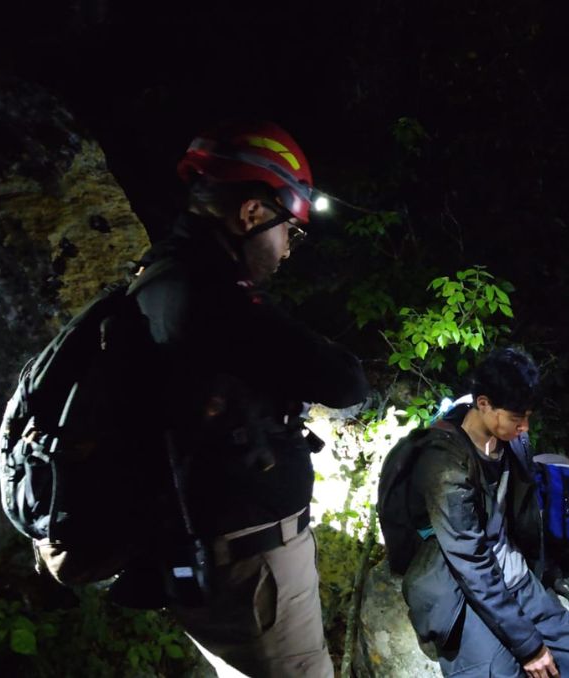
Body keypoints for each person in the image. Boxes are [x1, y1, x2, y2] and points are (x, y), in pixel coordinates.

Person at [132, 121, 369, 677]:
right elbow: (344, 381)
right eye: (291, 231)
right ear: (252, 214)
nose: (288, 250)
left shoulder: (156, 276)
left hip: (214, 558)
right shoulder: (213, 297)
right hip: (252, 572)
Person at [402, 347, 569, 678]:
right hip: (465, 591)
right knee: (499, 671)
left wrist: (552, 567)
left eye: (528, 416)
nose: (525, 427)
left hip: (517, 577)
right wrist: (530, 647)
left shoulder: (512, 442)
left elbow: (526, 510)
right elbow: (470, 562)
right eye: (517, 418)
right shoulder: (444, 463)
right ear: (483, 404)